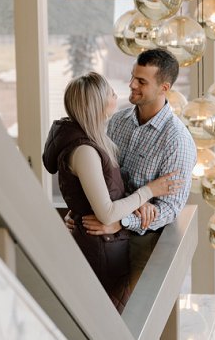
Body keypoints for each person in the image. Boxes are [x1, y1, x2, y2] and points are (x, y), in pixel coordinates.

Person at [43, 72, 182, 312]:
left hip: (105, 247)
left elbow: (102, 194)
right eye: (110, 93)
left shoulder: (92, 139)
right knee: (105, 320)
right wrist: (150, 191)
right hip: (99, 251)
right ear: (97, 104)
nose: (117, 95)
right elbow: (107, 214)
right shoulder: (84, 151)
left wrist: (136, 203)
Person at [81, 48, 197, 291]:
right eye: (133, 76)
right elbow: (105, 176)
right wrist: (139, 199)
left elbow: (170, 208)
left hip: (143, 244)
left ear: (164, 88)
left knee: (130, 309)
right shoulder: (117, 121)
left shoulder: (177, 141)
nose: (132, 84)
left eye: (142, 81)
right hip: (104, 234)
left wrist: (122, 222)